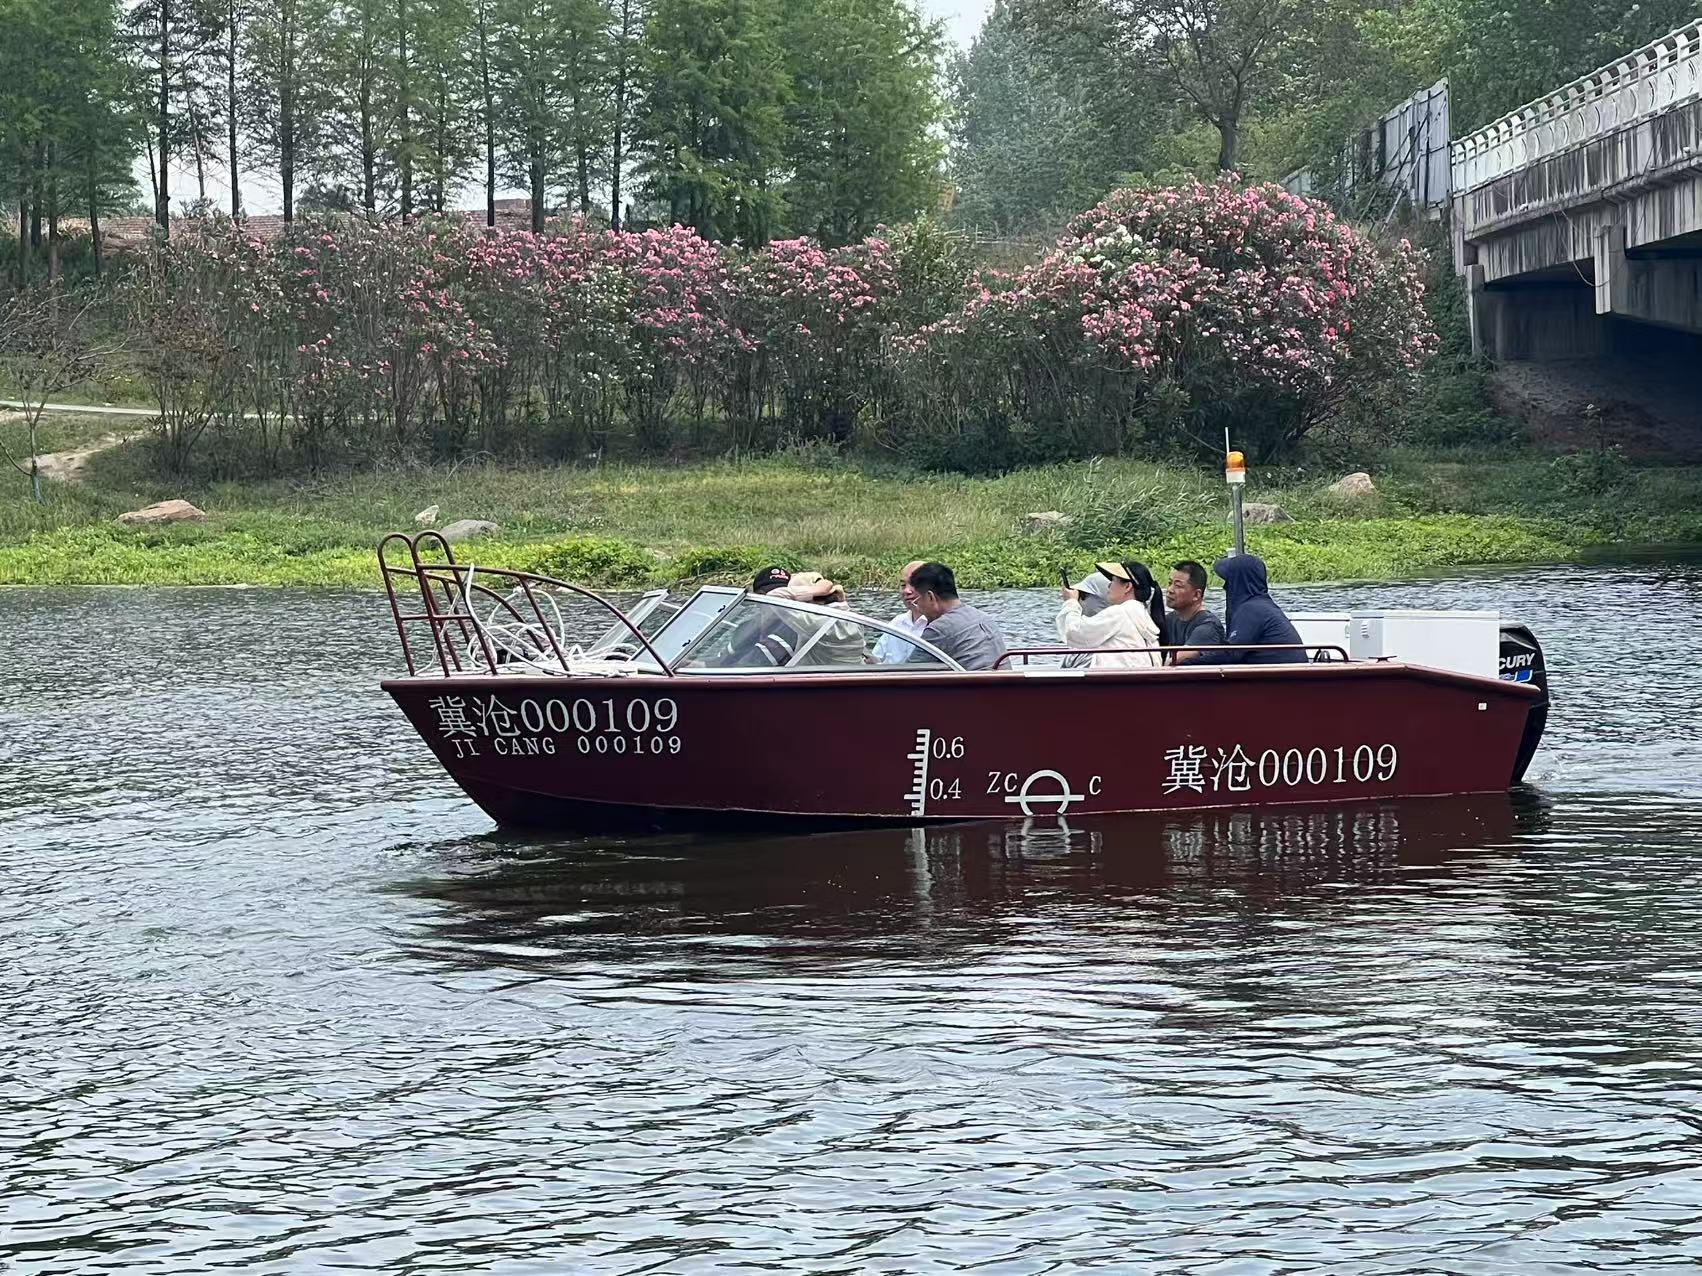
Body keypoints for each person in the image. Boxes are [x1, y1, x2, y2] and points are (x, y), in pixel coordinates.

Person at [1185, 553, 1306, 664]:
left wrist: (1185, 663)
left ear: (1236, 583)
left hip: (1282, 677)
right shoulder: (1261, 605)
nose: (1224, 587)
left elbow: (1230, 654)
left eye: (1228, 581)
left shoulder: (1252, 610)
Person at [1057, 561, 1165, 668]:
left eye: (1113, 580)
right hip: (1137, 676)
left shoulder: (1120, 612)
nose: (1109, 585)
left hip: (1119, 677)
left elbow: (1075, 633)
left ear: (1127, 587)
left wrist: (1071, 602)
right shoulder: (1141, 612)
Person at [905, 562, 1007, 670]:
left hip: (975, 681)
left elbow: (908, 672)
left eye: (917, 601)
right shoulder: (983, 618)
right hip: (1005, 680)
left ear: (930, 597)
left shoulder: (939, 628)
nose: (918, 607)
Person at [1163, 559, 1227, 663]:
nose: (1170, 590)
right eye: (1170, 583)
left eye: (1178, 586)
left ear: (1196, 595)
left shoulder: (1208, 626)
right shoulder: (1170, 619)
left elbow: (1177, 659)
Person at [871, 559, 929, 664]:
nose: (906, 591)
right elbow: (876, 657)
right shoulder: (897, 622)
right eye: (903, 585)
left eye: (914, 584)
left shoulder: (938, 624)